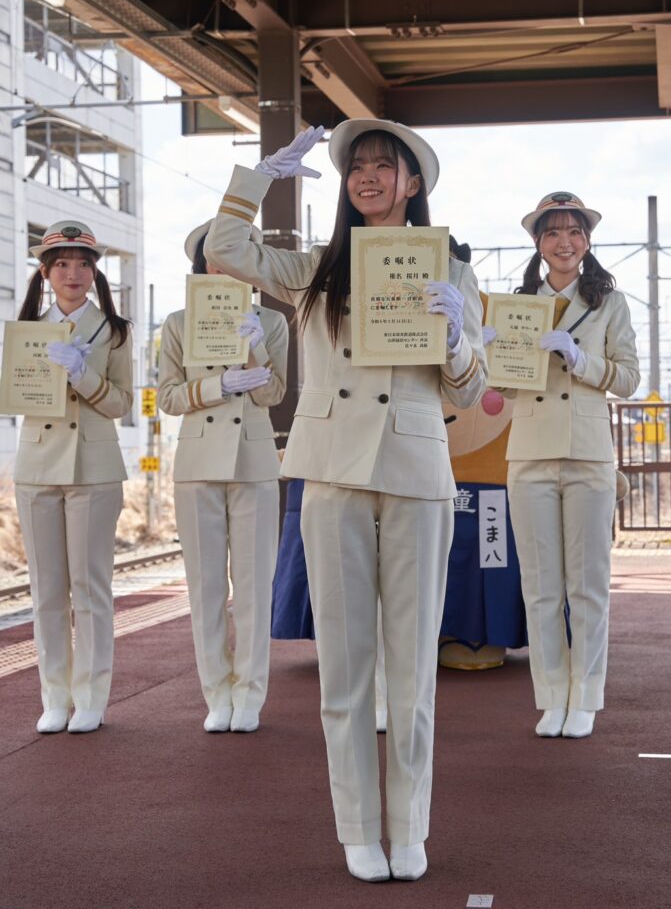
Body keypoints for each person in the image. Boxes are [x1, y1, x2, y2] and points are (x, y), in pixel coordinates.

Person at [204, 121, 487, 882]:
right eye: (355, 166)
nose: (365, 176)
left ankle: (411, 826)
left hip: (415, 472)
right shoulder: (315, 268)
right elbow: (222, 250)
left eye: (381, 165)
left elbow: (470, 387)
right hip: (330, 471)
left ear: (412, 183)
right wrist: (261, 176)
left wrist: (456, 335)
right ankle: (359, 827)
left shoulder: (452, 273)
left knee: (411, 670)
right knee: (346, 669)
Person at [496, 192, 640, 739]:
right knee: (540, 587)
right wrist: (490, 355)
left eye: (574, 232)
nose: (564, 242)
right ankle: (551, 695)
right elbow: (501, 386)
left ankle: (587, 696)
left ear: (587, 241)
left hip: (587, 453)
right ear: (537, 242)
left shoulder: (610, 302)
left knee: (588, 585)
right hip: (529, 453)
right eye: (552, 232)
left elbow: (628, 378)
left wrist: (582, 361)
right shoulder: (517, 303)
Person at [158, 223, 288, 734]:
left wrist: (254, 352)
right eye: (215, 259)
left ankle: (250, 694)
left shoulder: (271, 321)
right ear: (200, 266)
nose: (225, 267)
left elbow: (274, 393)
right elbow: (168, 397)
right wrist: (218, 384)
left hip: (253, 460)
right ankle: (217, 692)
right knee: (205, 586)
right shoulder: (176, 322)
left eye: (236, 257)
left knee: (255, 585)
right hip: (196, 464)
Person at [14, 221, 133, 734]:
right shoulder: (26, 330)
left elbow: (122, 403)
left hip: (93, 465)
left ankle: (90, 697)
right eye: (61, 263)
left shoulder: (115, 331)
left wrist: (81, 373)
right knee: (45, 591)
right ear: (45, 273)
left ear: (94, 272)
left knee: (89, 589)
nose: (73, 273)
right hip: (37, 464)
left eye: (83, 263)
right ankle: (54, 697)